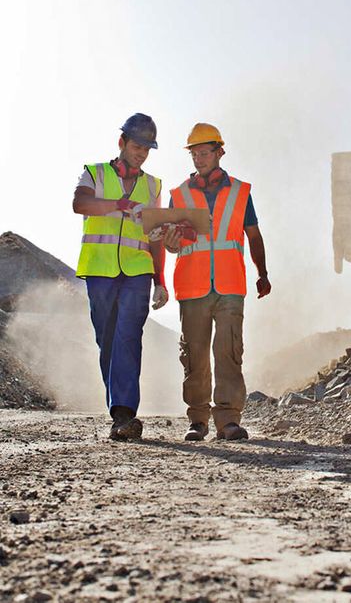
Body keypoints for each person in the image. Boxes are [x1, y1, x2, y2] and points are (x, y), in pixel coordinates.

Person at [164, 122, 271, 442]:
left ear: (219, 152)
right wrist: (169, 241)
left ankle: (228, 421)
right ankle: (198, 420)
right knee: (194, 355)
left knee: (228, 352)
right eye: (194, 154)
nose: (198, 159)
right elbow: (171, 245)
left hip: (230, 285)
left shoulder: (240, 192)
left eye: (204, 153)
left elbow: (253, 235)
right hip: (192, 285)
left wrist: (262, 273)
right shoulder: (179, 195)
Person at [73, 113, 168, 441]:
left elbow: (155, 235)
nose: (142, 152)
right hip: (99, 271)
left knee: (128, 336)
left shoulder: (153, 185)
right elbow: (79, 203)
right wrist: (116, 204)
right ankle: (118, 406)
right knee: (108, 340)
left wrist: (160, 281)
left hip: (137, 270)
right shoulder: (95, 173)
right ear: (122, 142)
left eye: (147, 147)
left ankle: (124, 413)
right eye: (137, 144)